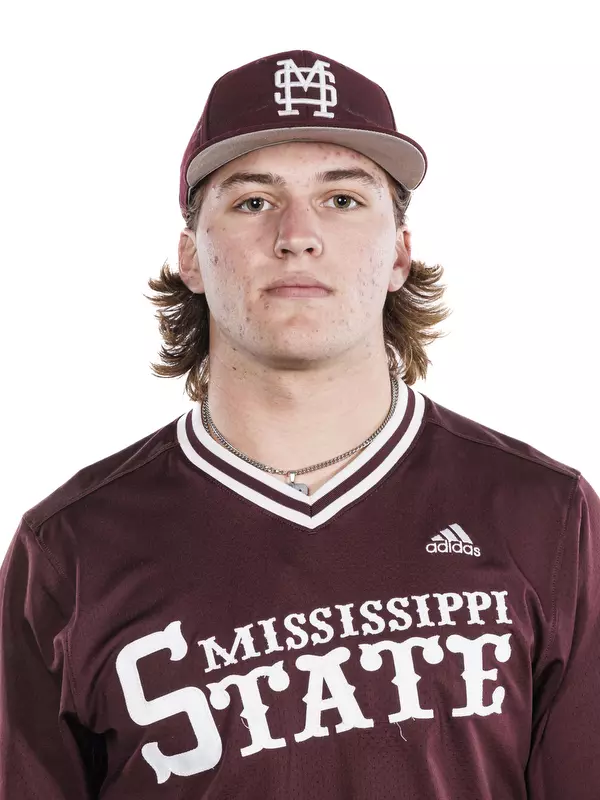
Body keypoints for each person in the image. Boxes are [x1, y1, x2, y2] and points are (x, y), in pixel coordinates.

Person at [0, 49, 598, 800]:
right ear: (190, 255)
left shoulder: (545, 513)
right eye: (252, 202)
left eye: (343, 200)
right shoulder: (69, 551)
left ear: (400, 255)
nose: (297, 234)